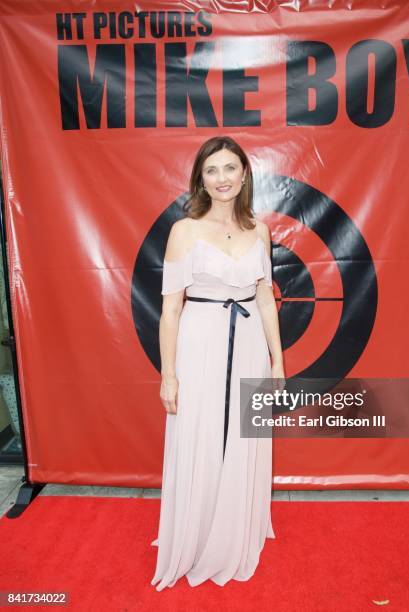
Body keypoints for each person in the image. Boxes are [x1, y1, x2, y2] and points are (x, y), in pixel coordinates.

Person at [150, 136, 284, 589]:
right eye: (212, 170)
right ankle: (197, 532)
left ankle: (235, 529)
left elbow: (266, 301)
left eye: (230, 168)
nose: (222, 178)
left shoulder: (259, 231)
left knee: (244, 435)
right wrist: (168, 375)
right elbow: (170, 309)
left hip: (247, 342)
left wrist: (277, 365)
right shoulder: (183, 231)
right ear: (201, 180)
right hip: (200, 338)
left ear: (245, 174)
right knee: (202, 433)